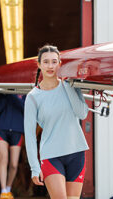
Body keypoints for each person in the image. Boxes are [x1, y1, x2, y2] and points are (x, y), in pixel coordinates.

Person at [24, 45, 89, 199]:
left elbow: (82, 113)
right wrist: (34, 167)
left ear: (60, 64)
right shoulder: (33, 97)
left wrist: (67, 86)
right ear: (39, 65)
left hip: (76, 152)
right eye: (46, 62)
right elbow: (29, 135)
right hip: (52, 155)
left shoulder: (70, 85)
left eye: (54, 62)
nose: (50, 66)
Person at [0, 94, 26, 199]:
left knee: (14, 164)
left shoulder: (25, 93)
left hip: (17, 130)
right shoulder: (3, 92)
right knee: (3, 159)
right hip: (1, 128)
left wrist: (13, 95)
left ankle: (8, 188)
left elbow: (25, 108)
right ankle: (3, 191)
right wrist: (5, 94)